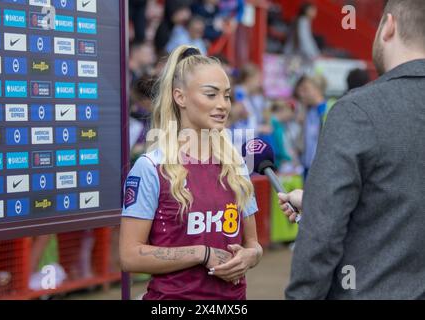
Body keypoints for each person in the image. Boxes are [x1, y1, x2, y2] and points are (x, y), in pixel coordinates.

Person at [278, 0, 425, 299]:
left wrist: (324, 208)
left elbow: (321, 237)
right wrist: (321, 203)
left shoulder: (357, 110)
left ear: (389, 26)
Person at [120, 45, 262, 300]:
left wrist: (251, 256)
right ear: (180, 97)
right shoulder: (151, 167)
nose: (222, 105)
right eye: (211, 94)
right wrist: (201, 253)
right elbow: (129, 256)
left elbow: (253, 244)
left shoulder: (236, 164)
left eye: (227, 96)